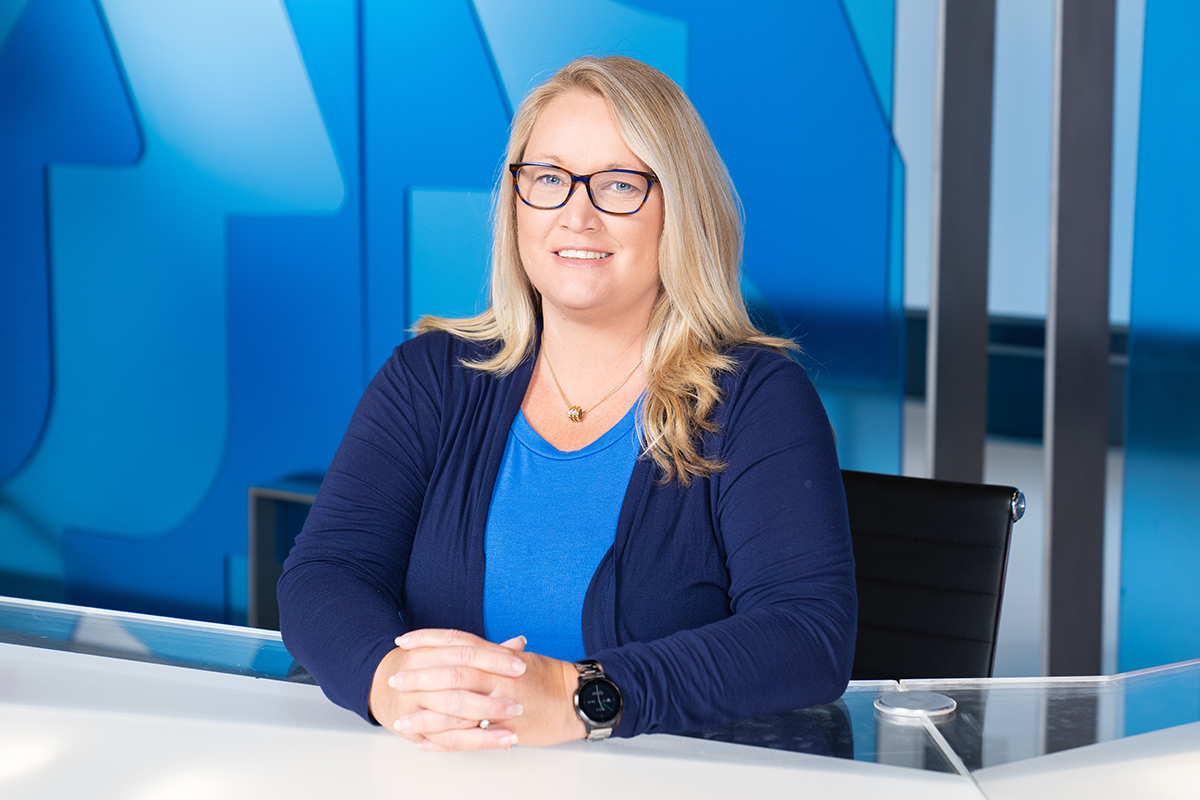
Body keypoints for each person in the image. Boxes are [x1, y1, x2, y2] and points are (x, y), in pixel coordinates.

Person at [278, 55, 857, 752]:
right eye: (549, 179)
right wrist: (389, 681)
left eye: (618, 185)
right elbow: (324, 574)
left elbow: (807, 635)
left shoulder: (756, 400)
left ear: (679, 207)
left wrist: (578, 697)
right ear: (516, 201)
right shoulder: (432, 376)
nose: (576, 214)